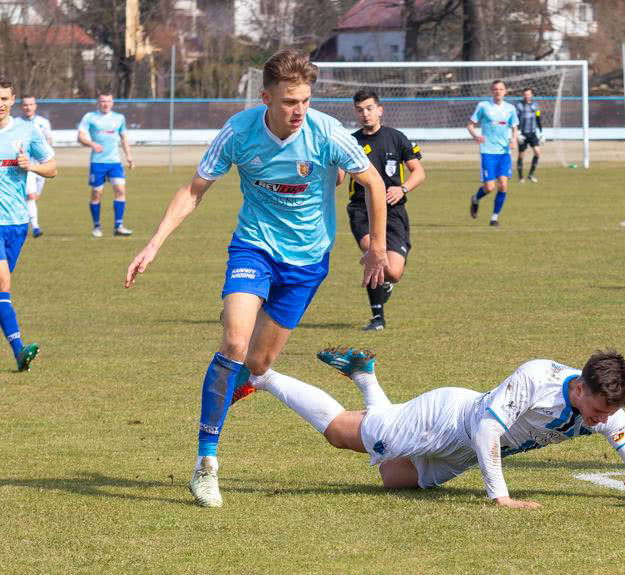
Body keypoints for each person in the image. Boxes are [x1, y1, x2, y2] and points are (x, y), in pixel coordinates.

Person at [124, 49, 388, 508]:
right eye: (289, 101)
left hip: (307, 262)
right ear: (266, 98)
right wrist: (154, 243)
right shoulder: (238, 132)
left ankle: (227, 386)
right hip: (254, 248)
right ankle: (206, 463)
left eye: (305, 100)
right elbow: (193, 191)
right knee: (234, 342)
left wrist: (376, 248)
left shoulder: (326, 132)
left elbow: (374, 183)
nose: (299, 111)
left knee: (259, 365)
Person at [235, 346, 625, 509]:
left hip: (463, 453)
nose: (603, 421)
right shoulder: (538, 377)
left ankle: (365, 376)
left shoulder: (608, 411)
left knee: (393, 477)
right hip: (447, 419)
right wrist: (501, 497)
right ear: (580, 388)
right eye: (598, 411)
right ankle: (262, 376)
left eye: (609, 414)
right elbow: (487, 431)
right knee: (340, 433)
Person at [342, 89, 425, 331]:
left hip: (393, 211)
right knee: (373, 254)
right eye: (360, 110)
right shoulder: (350, 142)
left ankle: (387, 284)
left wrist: (403, 189)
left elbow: (418, 172)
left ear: (380, 110)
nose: (365, 114)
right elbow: (338, 176)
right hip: (361, 210)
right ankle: (377, 318)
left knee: (394, 272)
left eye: (369, 108)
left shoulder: (396, 137)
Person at [0, 79, 56, 370]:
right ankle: (20, 351)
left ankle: (19, 353)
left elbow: (52, 168)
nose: (0, 104)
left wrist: (30, 166)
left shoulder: (27, 131)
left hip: (17, 223)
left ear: (13, 100)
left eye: (4, 98)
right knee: (3, 284)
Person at [78, 91, 134, 237]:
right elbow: (80, 137)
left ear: (112, 103)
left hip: (115, 163)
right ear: (98, 102)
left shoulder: (119, 118)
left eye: (108, 101)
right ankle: (97, 226)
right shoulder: (90, 117)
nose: (105, 104)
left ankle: (119, 226)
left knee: (120, 191)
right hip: (97, 163)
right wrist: (92, 144)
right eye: (103, 101)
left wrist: (129, 156)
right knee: (97, 194)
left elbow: (124, 138)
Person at [468, 80, 518, 227]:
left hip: (504, 152)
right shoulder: (483, 106)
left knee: (503, 184)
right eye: (495, 89)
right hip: (488, 152)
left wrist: (514, 140)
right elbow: (470, 125)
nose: (498, 92)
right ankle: (476, 198)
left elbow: (514, 127)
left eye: (501, 89)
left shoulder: (510, 109)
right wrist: (476, 136)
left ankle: (494, 218)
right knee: (490, 187)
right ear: (491, 91)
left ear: (505, 91)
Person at [19, 95, 52, 238]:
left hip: (42, 166)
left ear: (35, 106)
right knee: (31, 196)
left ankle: (25, 220)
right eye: (25, 105)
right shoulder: (17, 124)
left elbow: (49, 140)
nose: (28, 107)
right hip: (27, 166)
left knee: (34, 197)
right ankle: (36, 227)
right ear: (21, 106)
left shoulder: (43, 123)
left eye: (31, 104)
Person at [515, 88, 543, 183]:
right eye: (525, 94)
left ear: (531, 95)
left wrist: (541, 132)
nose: (527, 96)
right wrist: (517, 132)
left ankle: (531, 175)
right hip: (522, 133)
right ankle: (520, 177)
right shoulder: (519, 105)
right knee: (521, 155)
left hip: (532, 133)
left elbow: (538, 117)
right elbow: (515, 119)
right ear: (523, 95)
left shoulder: (535, 105)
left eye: (528, 94)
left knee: (537, 152)